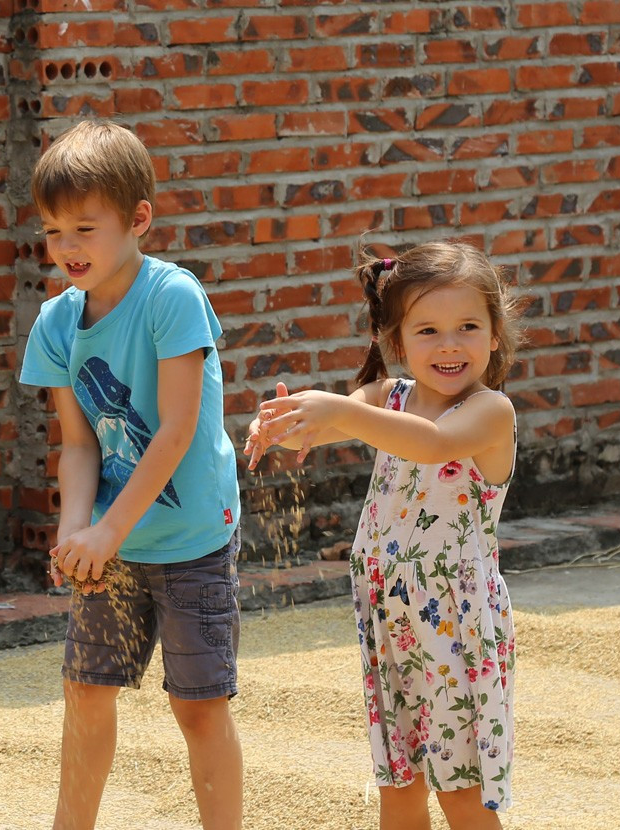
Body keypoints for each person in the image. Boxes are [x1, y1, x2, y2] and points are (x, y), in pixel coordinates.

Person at [246, 242, 523, 828]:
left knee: (461, 794)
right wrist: (289, 423)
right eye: (428, 331)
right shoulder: (387, 399)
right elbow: (333, 422)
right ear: (396, 343)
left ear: (495, 335)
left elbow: (433, 444)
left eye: (468, 326)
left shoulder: (489, 411)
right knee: (399, 786)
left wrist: (338, 413)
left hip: (456, 629)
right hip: (391, 620)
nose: (450, 344)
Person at [17, 120, 245, 830]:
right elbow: (79, 445)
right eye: (54, 232)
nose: (67, 248)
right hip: (111, 544)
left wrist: (109, 529)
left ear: (139, 218)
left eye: (85, 227)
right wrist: (75, 529)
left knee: (198, 706)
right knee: (85, 693)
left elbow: (175, 431)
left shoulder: (172, 298)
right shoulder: (55, 322)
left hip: (191, 538)